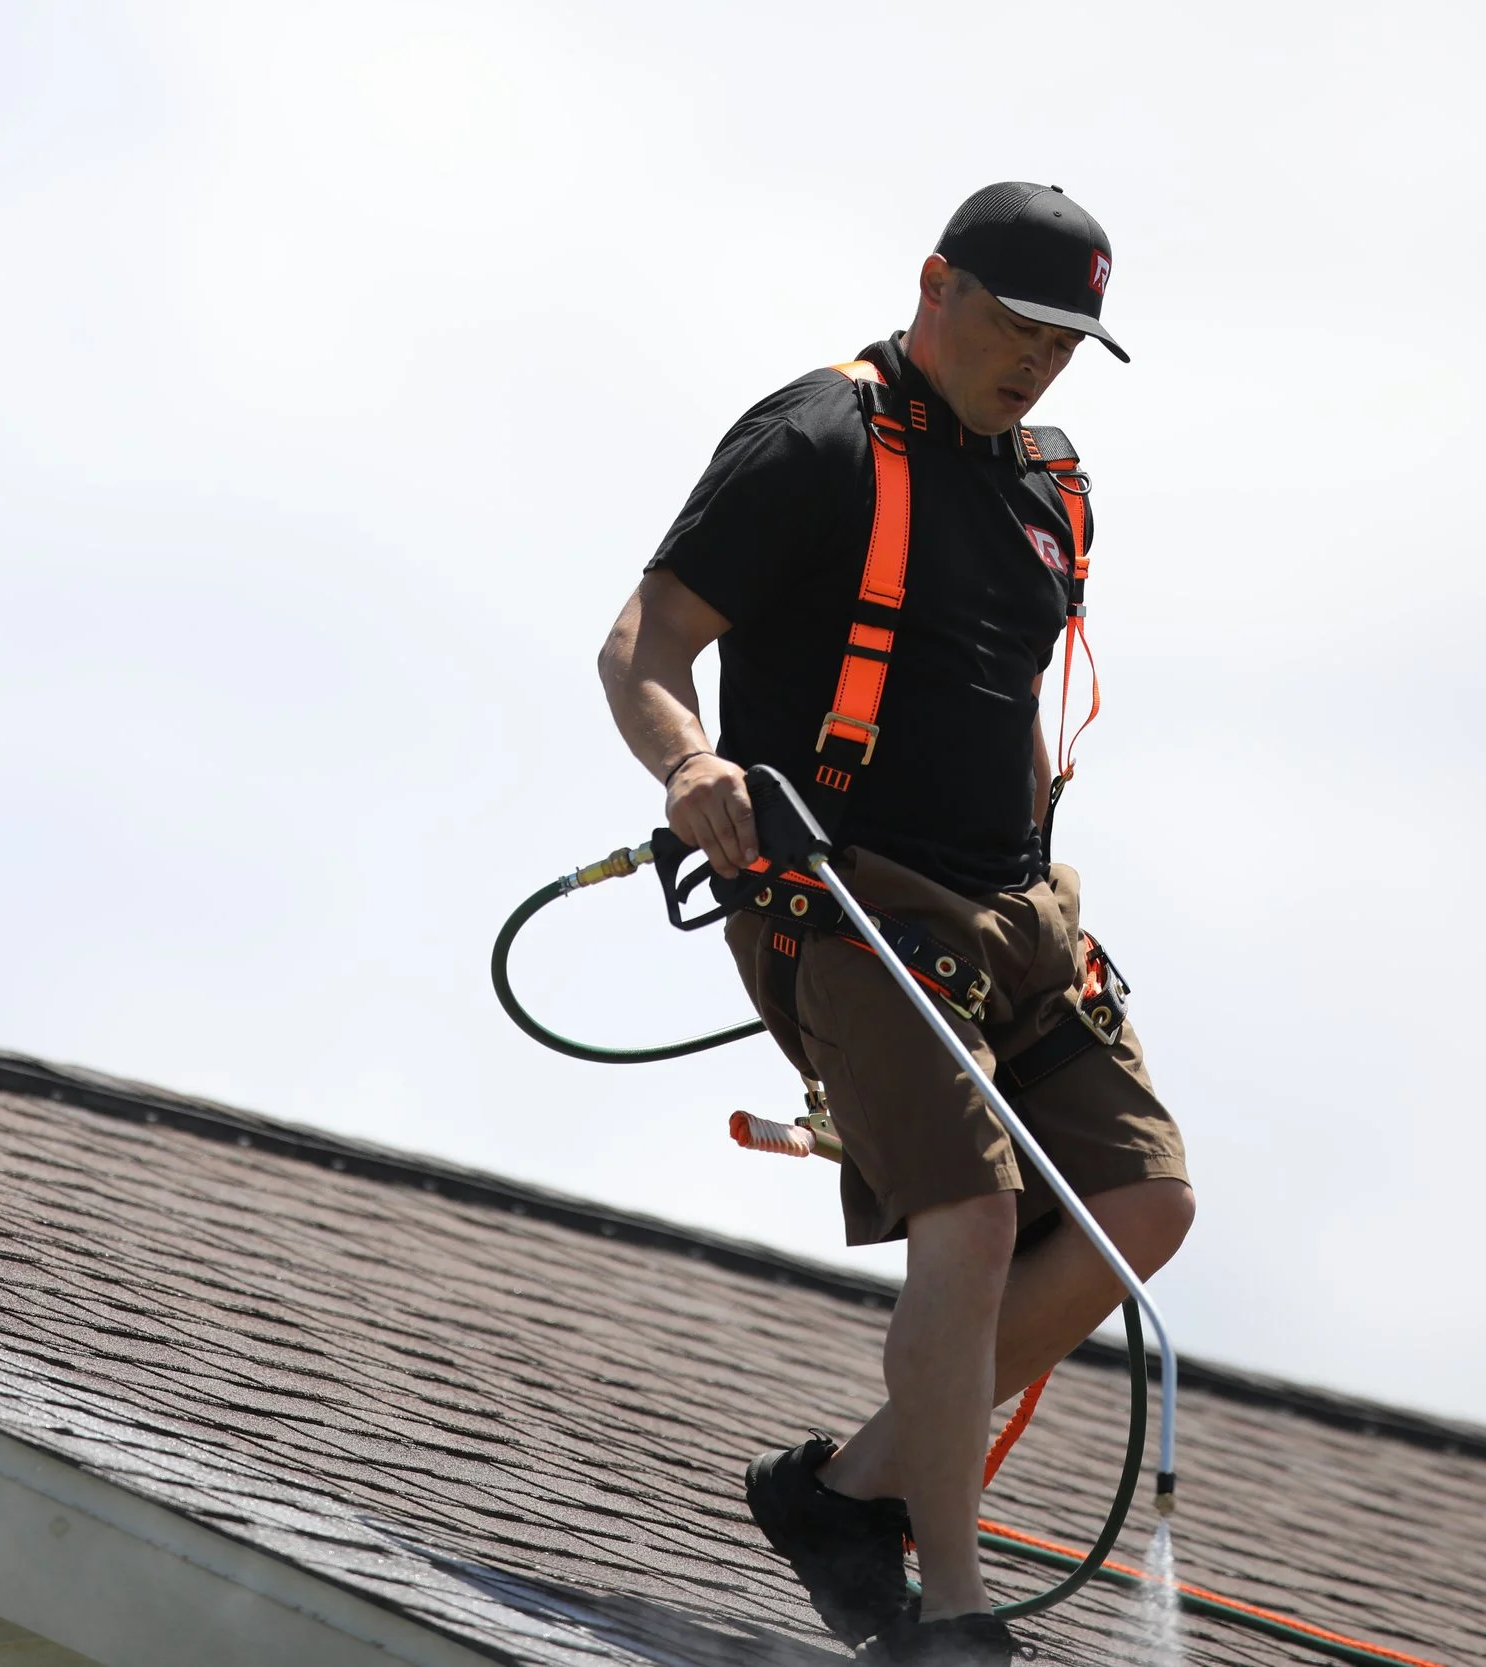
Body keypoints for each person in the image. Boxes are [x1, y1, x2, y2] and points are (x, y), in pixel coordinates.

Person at [597, 183, 1195, 1666]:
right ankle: (951, 1620)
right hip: (855, 902)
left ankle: (853, 1489)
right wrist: (693, 764)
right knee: (975, 1216)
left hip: (1023, 910)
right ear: (936, 283)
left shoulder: (1051, 481)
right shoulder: (817, 441)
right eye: (1021, 324)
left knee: (1145, 1204)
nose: (1043, 363)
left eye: (1072, 341)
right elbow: (645, 641)